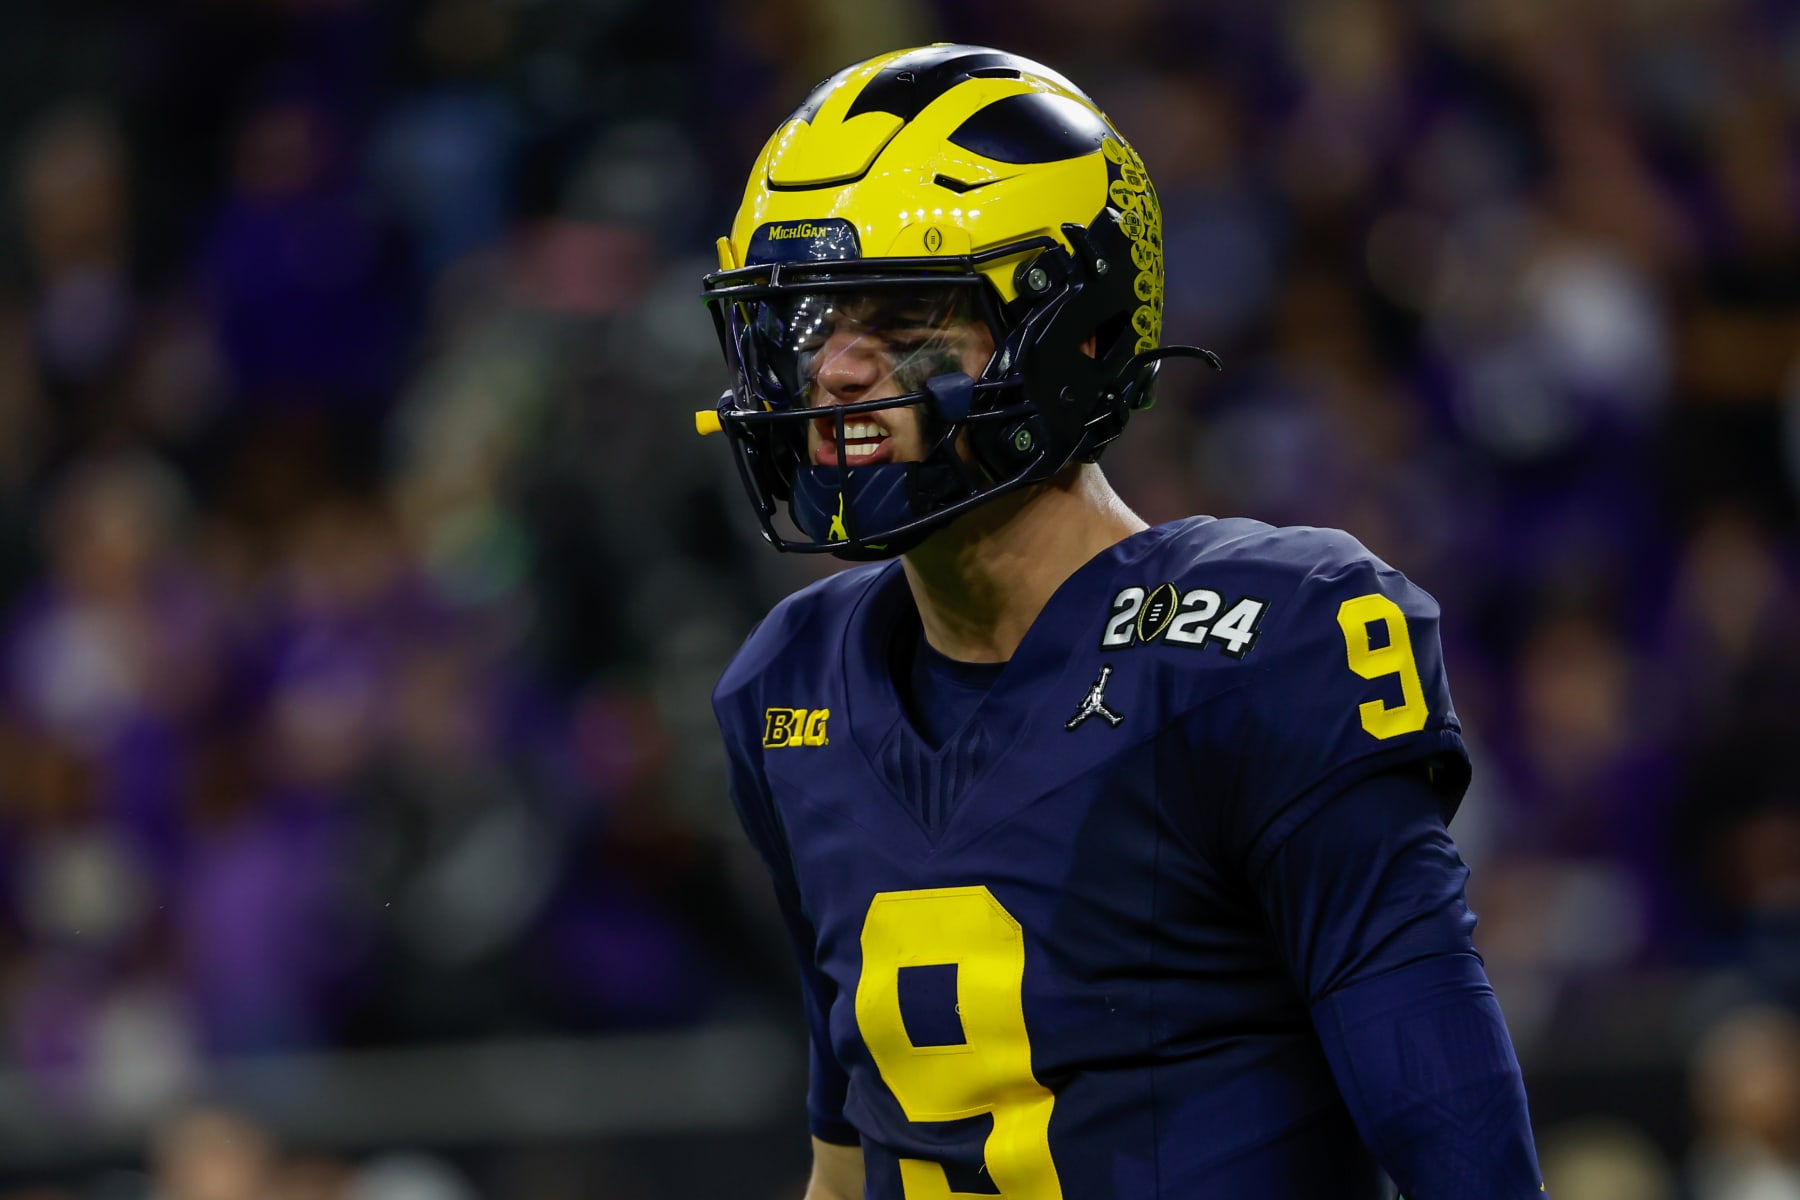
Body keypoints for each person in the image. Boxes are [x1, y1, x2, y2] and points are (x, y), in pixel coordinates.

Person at [699, 43, 1545, 1200]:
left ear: (1080, 332)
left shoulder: (1262, 643)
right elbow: (847, 1168)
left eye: (902, 317)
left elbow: (1455, 1141)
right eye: (808, 319)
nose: (838, 370)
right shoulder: (788, 692)